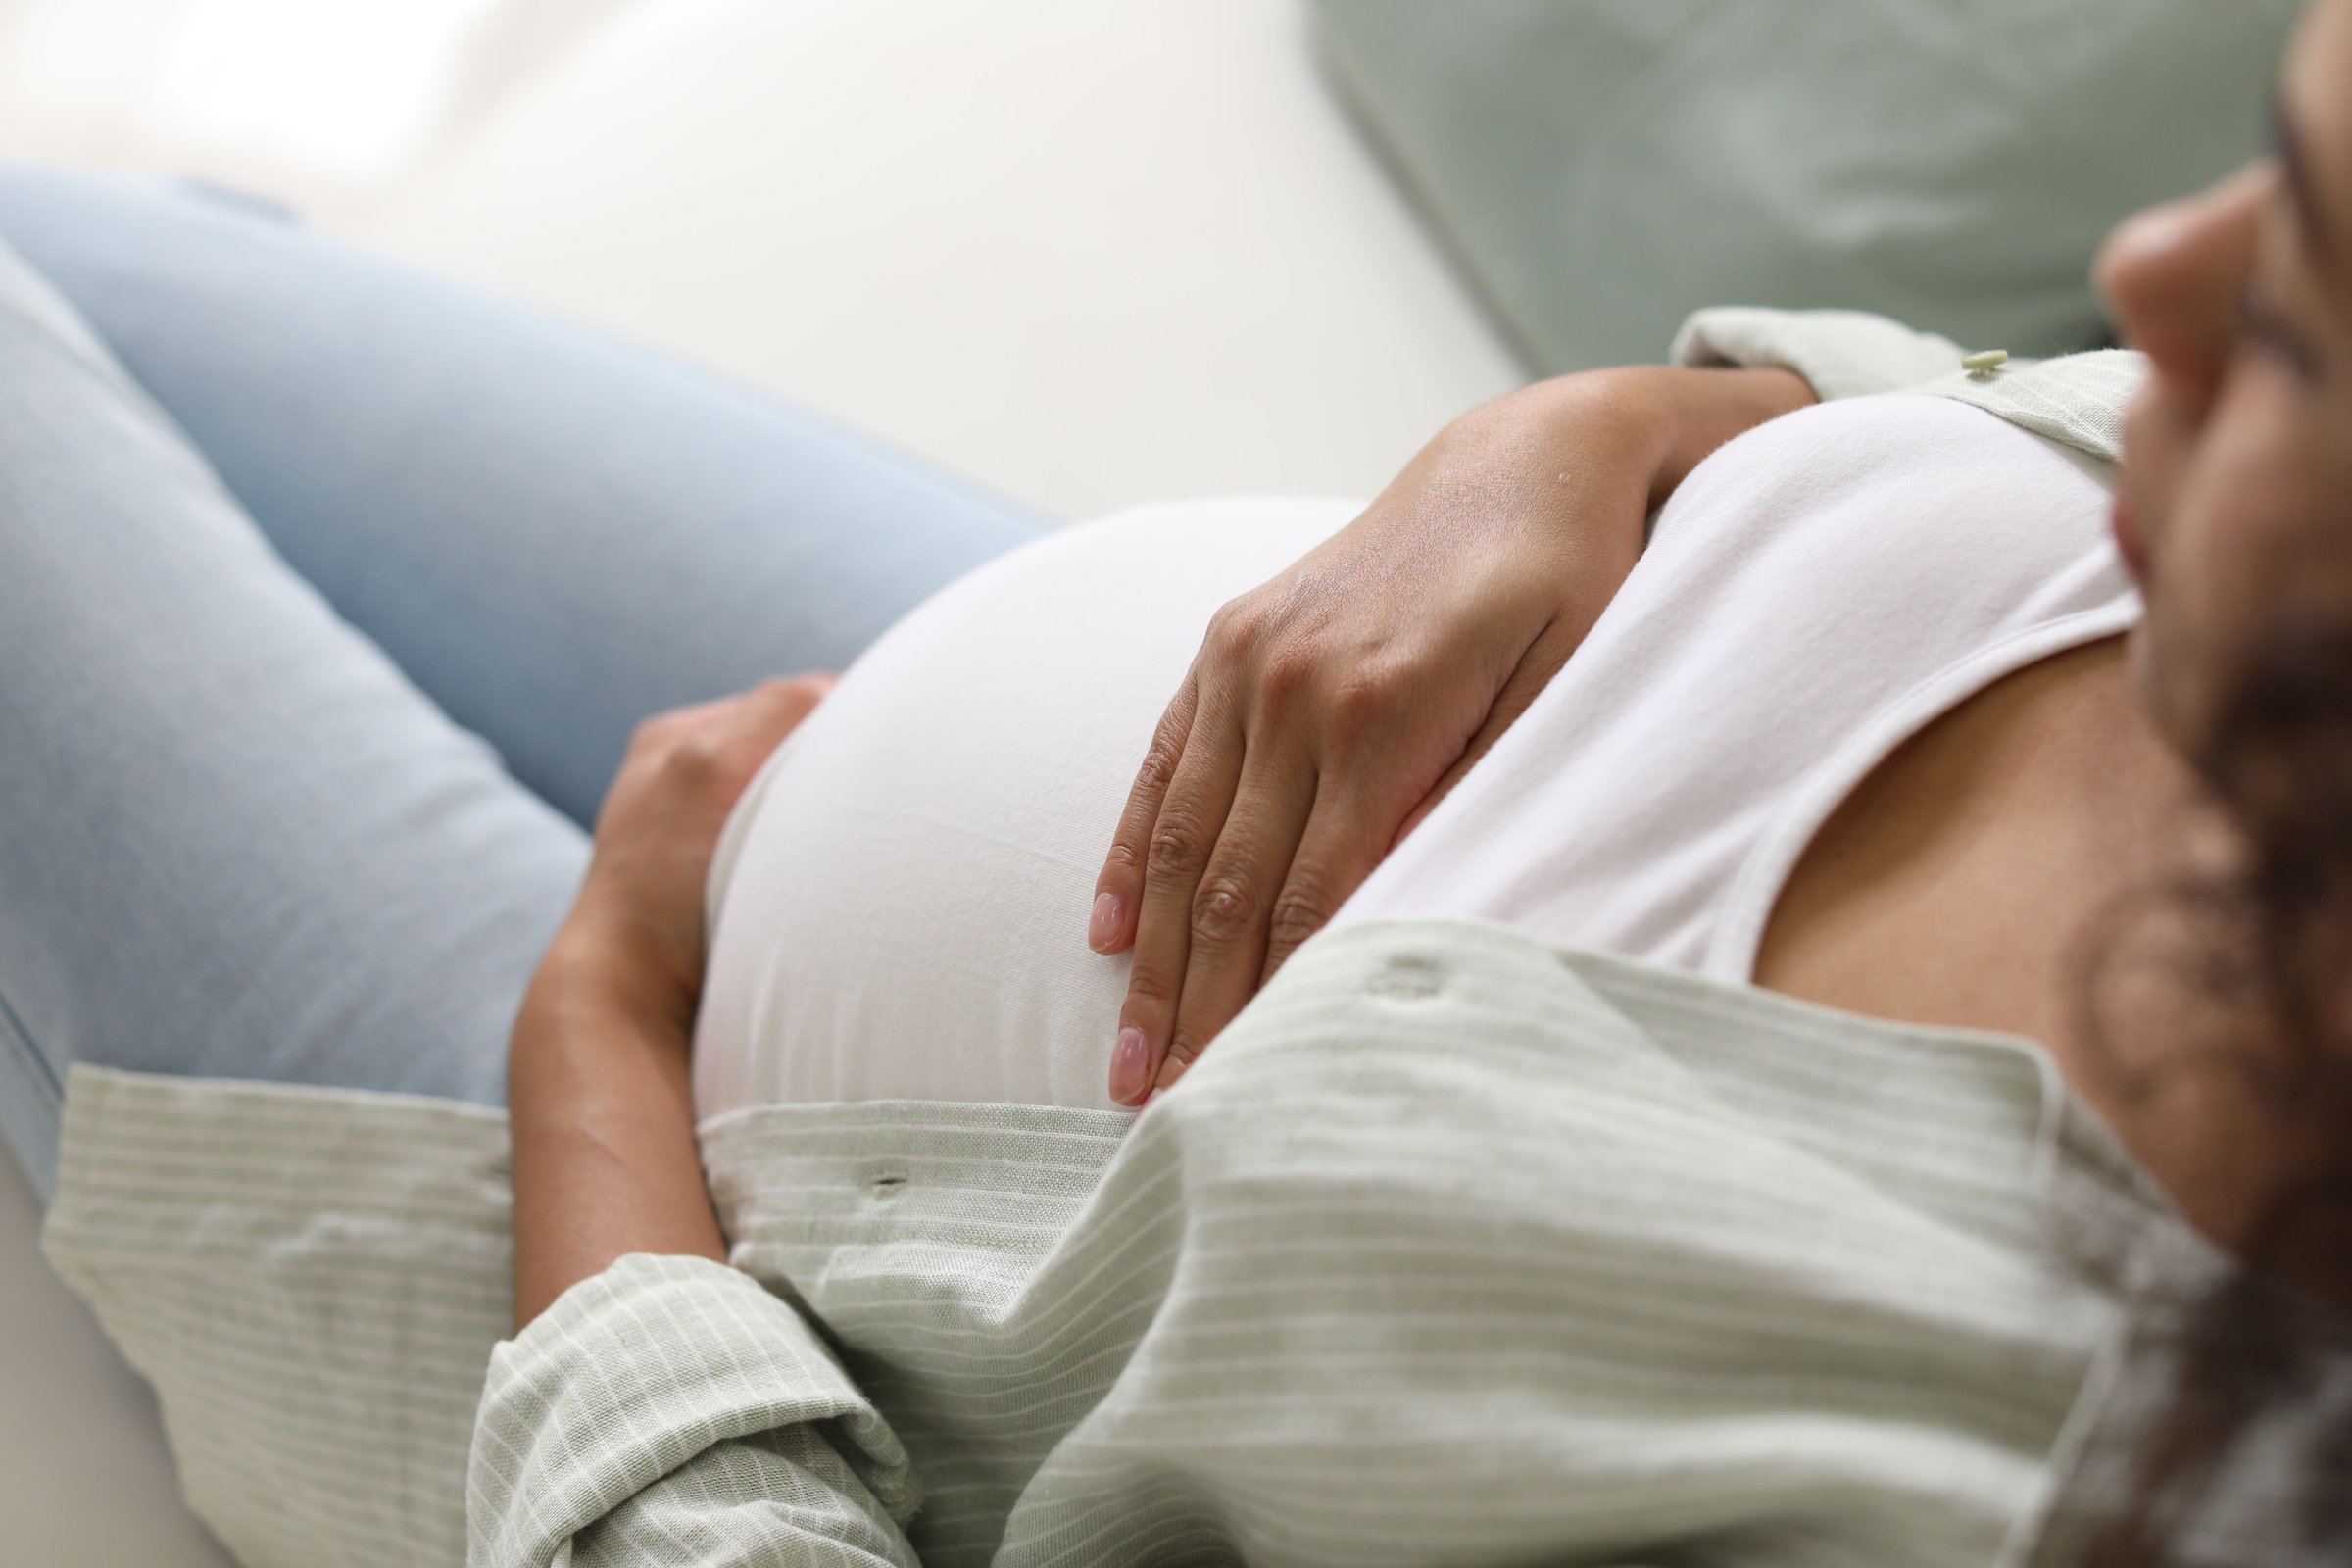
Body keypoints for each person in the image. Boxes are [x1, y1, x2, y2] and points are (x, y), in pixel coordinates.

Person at [5, 2, 2349, 1562]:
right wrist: (1628, 431)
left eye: (2315, 303)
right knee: (103, 247)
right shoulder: (2247, 587)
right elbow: (1989, 416)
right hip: (1071, 700)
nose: (2148, 267)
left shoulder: (2047, 1460)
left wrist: (598, 1031)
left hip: (652, 1236)